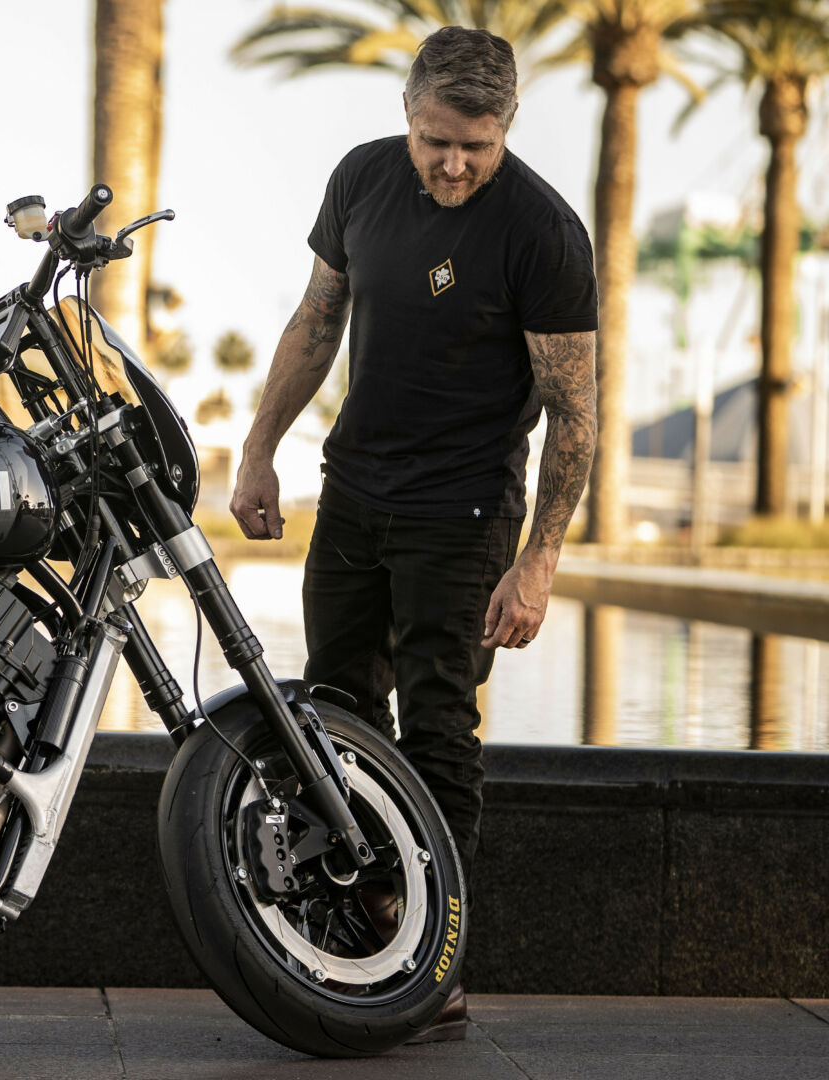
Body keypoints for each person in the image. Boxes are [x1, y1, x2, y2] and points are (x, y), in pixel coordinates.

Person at [228, 25, 599, 1040]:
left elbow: (575, 411)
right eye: (438, 139)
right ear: (409, 114)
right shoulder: (360, 183)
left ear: (508, 127)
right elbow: (316, 320)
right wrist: (259, 450)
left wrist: (540, 561)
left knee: (439, 729)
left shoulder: (543, 231)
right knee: (337, 712)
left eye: (475, 146)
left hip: (466, 513)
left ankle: (434, 966)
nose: (453, 162)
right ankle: (370, 929)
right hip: (352, 498)